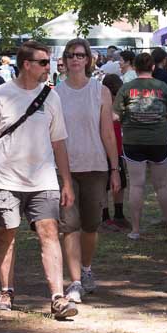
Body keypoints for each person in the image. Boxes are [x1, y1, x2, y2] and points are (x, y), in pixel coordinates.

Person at [0, 41, 78, 319]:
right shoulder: (1, 95)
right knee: (8, 234)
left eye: (48, 62)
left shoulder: (51, 97)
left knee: (49, 233)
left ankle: (58, 297)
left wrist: (65, 181)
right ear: (26, 64)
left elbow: (59, 142)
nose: (48, 67)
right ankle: (6, 291)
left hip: (43, 180)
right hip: (4, 179)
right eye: (43, 62)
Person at [55, 38, 121, 303]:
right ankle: (74, 282)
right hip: (65, 169)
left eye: (80, 55)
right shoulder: (55, 93)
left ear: (88, 59)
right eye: (71, 54)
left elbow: (107, 132)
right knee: (69, 225)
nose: (75, 59)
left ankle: (86, 269)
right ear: (64, 59)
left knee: (91, 225)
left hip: (95, 166)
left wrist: (115, 168)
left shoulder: (100, 91)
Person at [113, 52, 167, 240]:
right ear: (152, 67)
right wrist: (160, 117)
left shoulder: (126, 88)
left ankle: (135, 230)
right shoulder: (163, 87)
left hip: (133, 141)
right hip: (158, 141)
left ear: (135, 68)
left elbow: (115, 116)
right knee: (162, 185)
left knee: (136, 185)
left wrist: (129, 116)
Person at [100, 74, 130, 230]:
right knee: (104, 185)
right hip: (104, 150)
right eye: (114, 94)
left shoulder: (119, 106)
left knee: (121, 183)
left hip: (117, 151)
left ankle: (119, 214)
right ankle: (104, 217)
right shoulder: (101, 105)